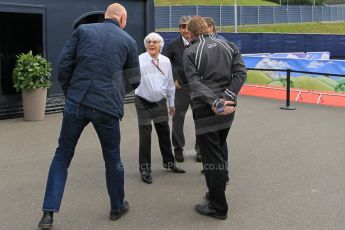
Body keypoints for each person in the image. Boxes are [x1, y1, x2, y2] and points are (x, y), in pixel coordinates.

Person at [38, 3, 140, 229]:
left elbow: (64, 65)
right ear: (122, 18)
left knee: (62, 155)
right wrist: (115, 92)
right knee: (113, 158)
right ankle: (117, 207)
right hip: (107, 107)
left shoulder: (83, 31)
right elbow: (134, 79)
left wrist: (70, 92)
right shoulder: (128, 41)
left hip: (77, 101)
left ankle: (48, 213)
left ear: (106, 16)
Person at [183, 16, 247, 220]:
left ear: (191, 33)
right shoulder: (228, 44)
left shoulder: (190, 50)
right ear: (206, 28)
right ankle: (214, 193)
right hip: (229, 107)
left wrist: (216, 102)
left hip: (207, 109)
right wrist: (227, 97)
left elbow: (194, 83)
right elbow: (241, 74)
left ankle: (218, 207)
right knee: (217, 151)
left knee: (212, 159)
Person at [135, 32, 185, 184]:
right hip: (143, 100)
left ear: (160, 46)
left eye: (155, 42)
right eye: (149, 42)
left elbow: (170, 84)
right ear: (145, 45)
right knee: (145, 135)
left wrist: (171, 104)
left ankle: (169, 163)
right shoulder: (139, 60)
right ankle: (145, 169)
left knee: (164, 131)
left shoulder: (166, 61)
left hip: (160, 102)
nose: (151, 44)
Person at [163, 16, 201, 162]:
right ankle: (178, 149)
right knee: (178, 119)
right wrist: (173, 80)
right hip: (181, 88)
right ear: (179, 29)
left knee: (200, 118)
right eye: (183, 26)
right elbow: (164, 64)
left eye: (188, 26)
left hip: (198, 88)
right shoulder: (173, 45)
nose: (186, 30)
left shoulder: (199, 43)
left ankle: (201, 150)